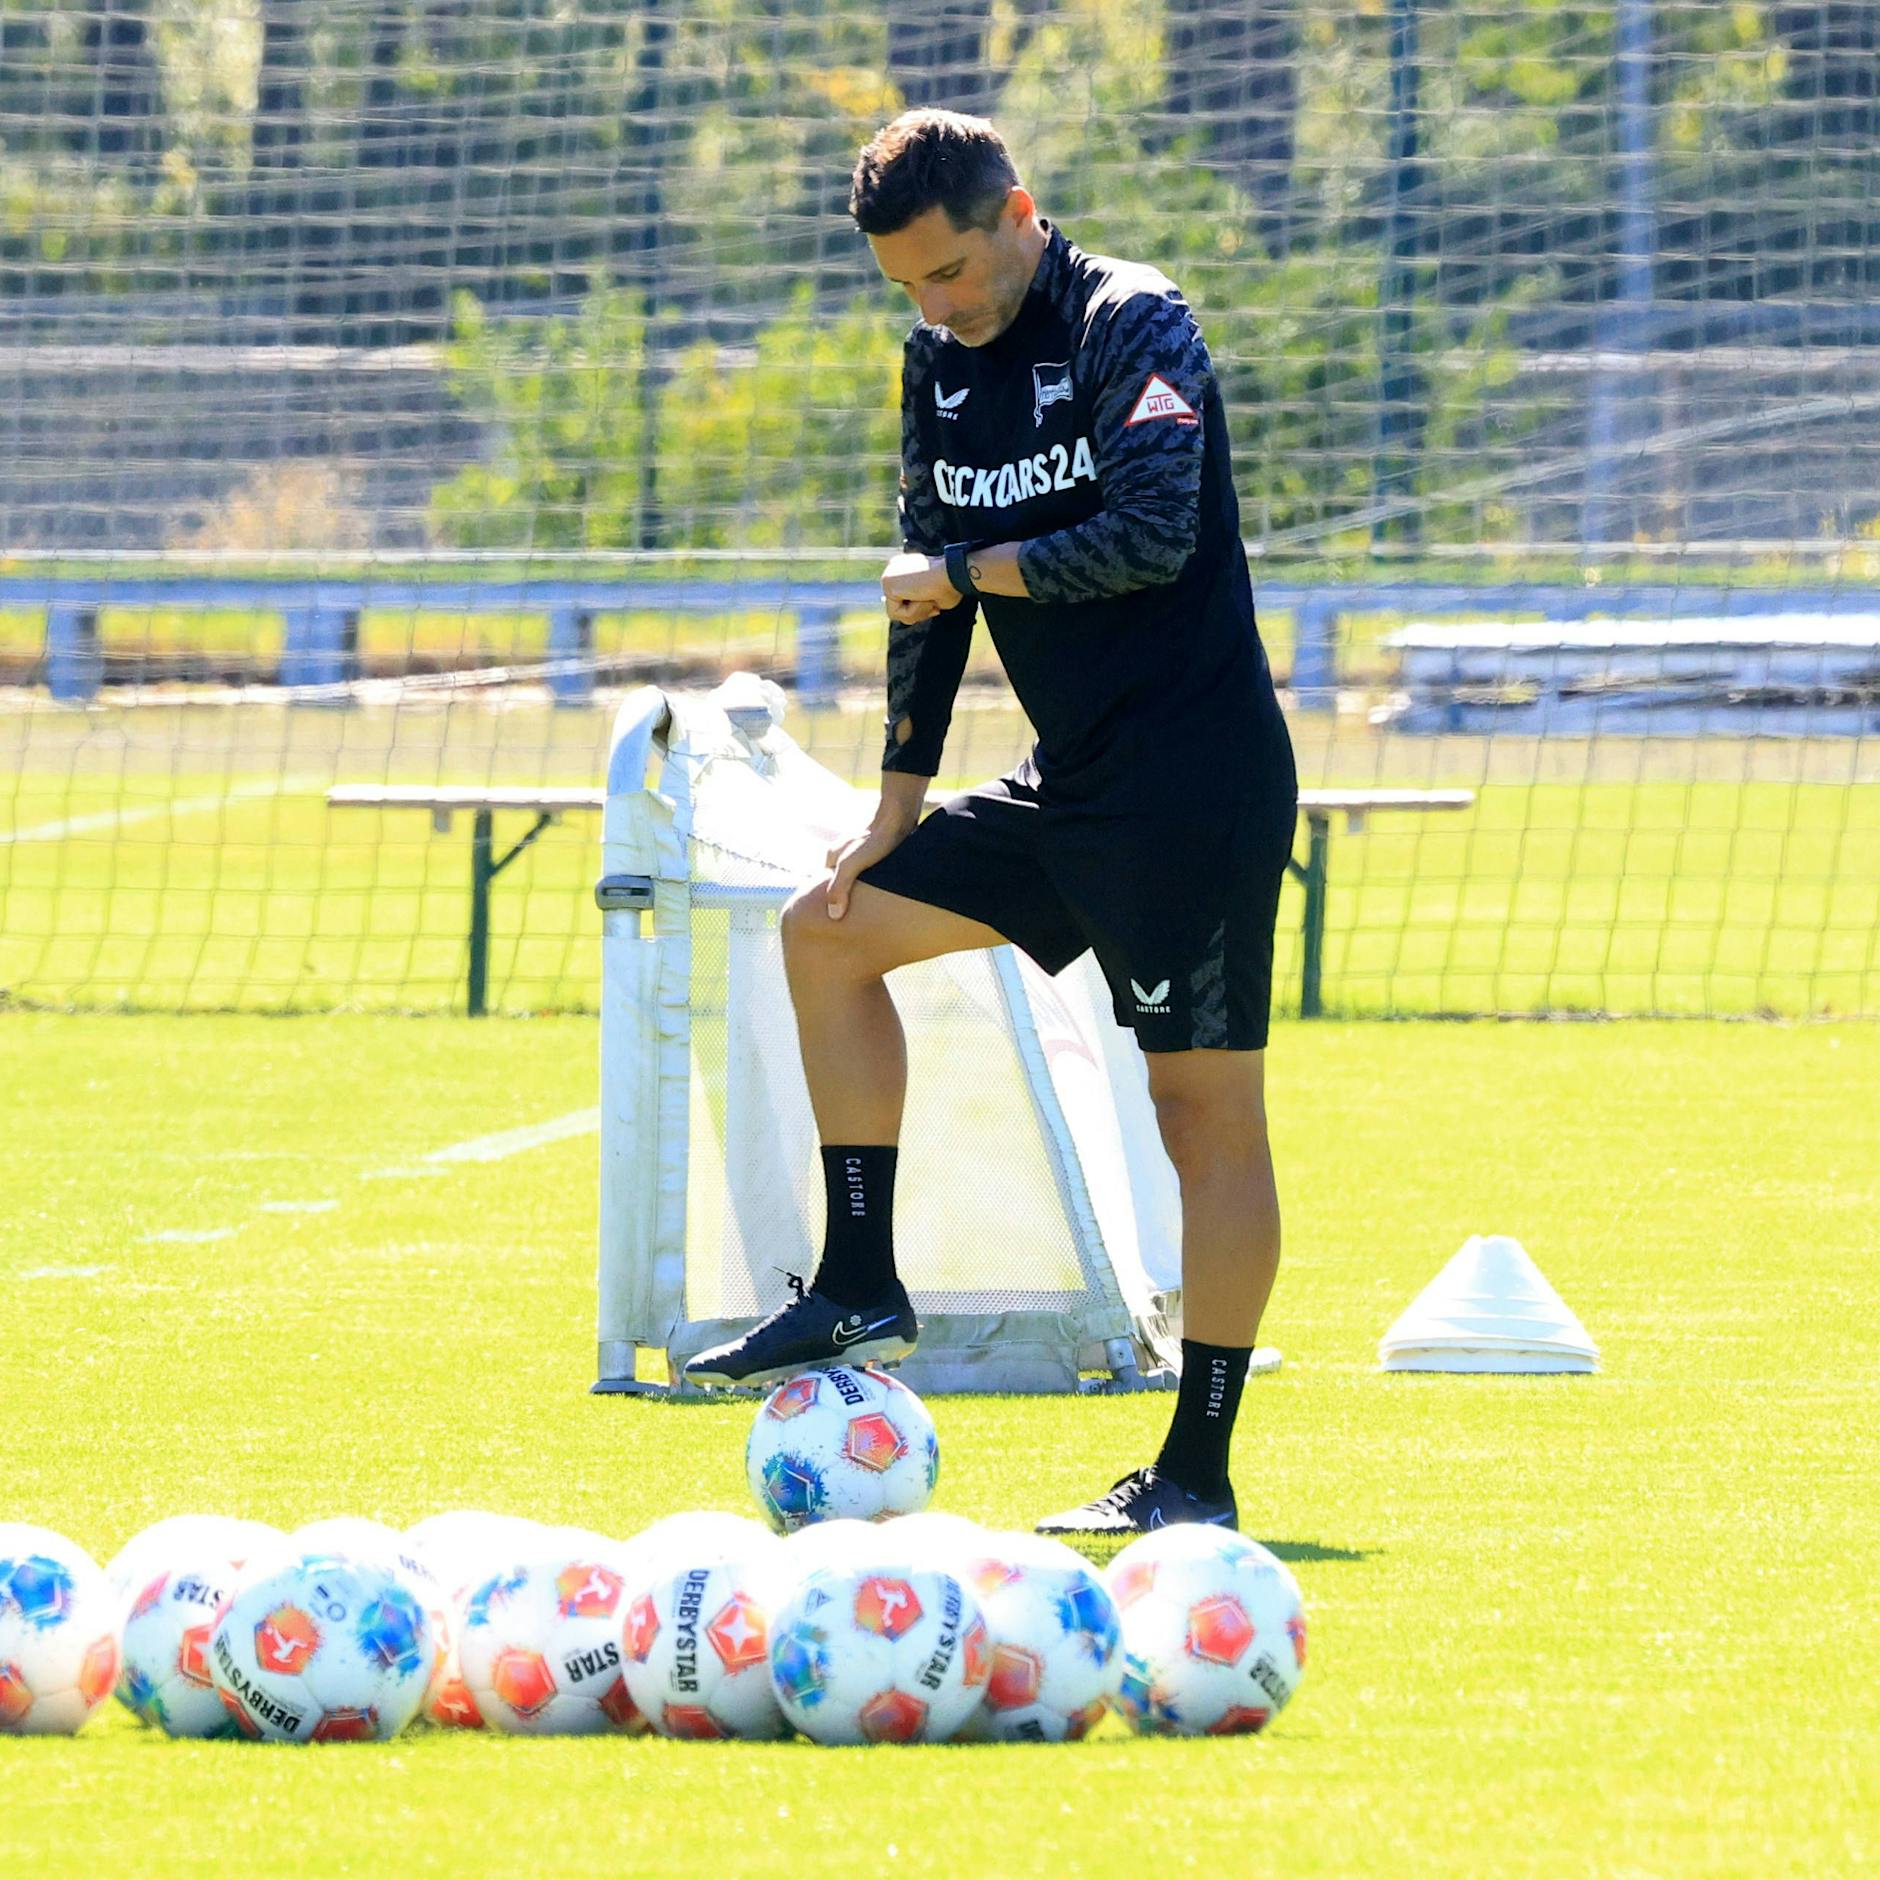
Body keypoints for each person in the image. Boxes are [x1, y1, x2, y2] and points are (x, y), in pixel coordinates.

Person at [685, 108, 1298, 1537]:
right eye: (908, 285)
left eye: (952, 271)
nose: (936, 306)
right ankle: (856, 1285)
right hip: (1070, 788)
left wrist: (961, 570)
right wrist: (896, 799)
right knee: (826, 935)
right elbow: (925, 581)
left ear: (1019, 210)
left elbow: (1146, 535)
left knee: (1202, 1117)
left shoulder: (1134, 321)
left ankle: (1194, 1477)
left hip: (1194, 791)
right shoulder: (937, 366)